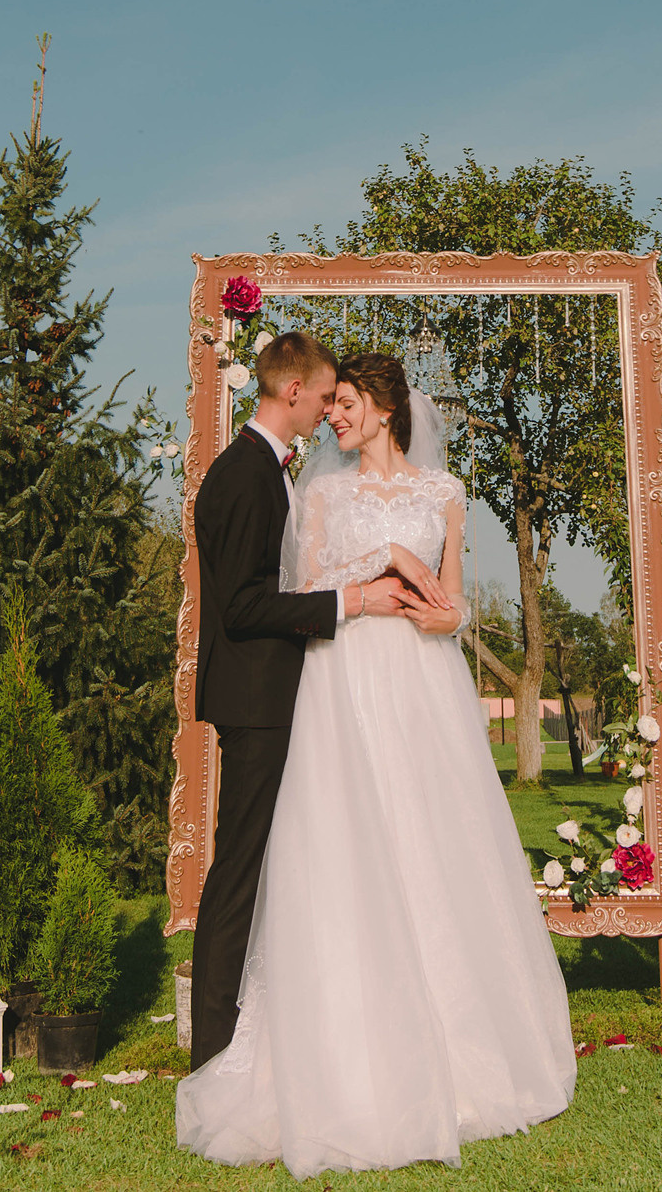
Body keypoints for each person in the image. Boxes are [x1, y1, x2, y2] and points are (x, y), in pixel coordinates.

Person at [177, 351, 576, 1178]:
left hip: (423, 694)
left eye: (349, 403)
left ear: (387, 411)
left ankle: (457, 1047)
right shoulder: (319, 495)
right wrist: (388, 556)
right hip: (343, 680)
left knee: (432, 849)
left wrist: (440, 610)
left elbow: (455, 609)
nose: (336, 418)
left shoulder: (447, 495)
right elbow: (310, 586)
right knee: (345, 854)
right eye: (331, 403)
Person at [187, 332, 430, 1070]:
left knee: (276, 863)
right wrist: (351, 600)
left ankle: (270, 1024)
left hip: (278, 695)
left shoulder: (268, 471)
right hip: (256, 701)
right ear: (294, 392)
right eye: (326, 396)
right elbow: (242, 607)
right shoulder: (243, 476)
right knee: (238, 872)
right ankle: (214, 1049)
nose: (329, 412)